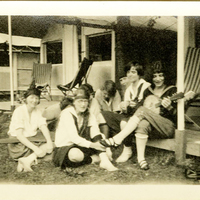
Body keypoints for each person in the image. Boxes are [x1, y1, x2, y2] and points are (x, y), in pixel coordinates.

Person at [100, 61, 177, 170]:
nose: (157, 79)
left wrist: (169, 107)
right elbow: (139, 109)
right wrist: (127, 106)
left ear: (166, 76)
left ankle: (117, 139)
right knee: (142, 124)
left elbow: (177, 115)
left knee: (142, 110)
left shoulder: (172, 91)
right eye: (155, 76)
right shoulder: (149, 91)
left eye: (161, 76)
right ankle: (141, 159)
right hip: (152, 128)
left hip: (166, 126)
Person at [53, 87, 118, 171]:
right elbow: (74, 138)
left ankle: (104, 161)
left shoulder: (88, 113)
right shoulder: (67, 113)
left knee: (93, 131)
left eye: (85, 101)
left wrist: (104, 147)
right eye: (80, 101)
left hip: (81, 145)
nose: (83, 105)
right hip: (65, 147)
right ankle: (94, 159)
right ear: (74, 102)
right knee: (75, 155)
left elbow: (95, 132)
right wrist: (95, 145)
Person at [100, 61, 151, 163]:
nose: (129, 75)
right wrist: (124, 106)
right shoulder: (129, 89)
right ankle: (106, 148)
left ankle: (127, 149)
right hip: (130, 116)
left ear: (139, 73)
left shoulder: (146, 86)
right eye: (128, 72)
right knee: (103, 114)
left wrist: (134, 106)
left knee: (124, 122)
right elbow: (127, 110)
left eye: (133, 72)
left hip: (142, 118)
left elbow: (147, 107)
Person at [7, 84, 54, 172]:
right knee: (46, 152)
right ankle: (31, 158)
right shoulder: (19, 111)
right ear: (26, 99)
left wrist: (49, 141)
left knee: (52, 145)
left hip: (31, 140)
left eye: (37, 98)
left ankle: (27, 160)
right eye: (32, 97)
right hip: (18, 144)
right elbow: (20, 136)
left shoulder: (37, 111)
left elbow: (43, 126)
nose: (34, 100)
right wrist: (36, 148)